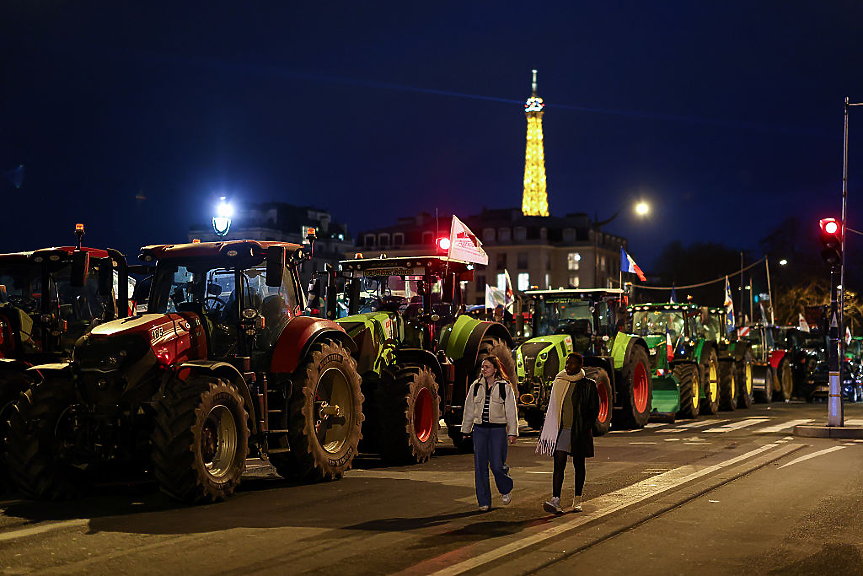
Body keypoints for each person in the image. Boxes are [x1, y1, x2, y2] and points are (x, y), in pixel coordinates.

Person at [536, 352, 599, 514]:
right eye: (566, 363)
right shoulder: (560, 381)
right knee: (559, 463)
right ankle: (555, 499)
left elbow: (593, 410)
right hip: (562, 430)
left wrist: (585, 428)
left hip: (579, 431)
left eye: (571, 364)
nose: (567, 366)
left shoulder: (588, 385)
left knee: (579, 465)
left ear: (579, 366)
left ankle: (577, 499)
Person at [461, 355, 518, 511]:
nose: (484, 369)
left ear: (495, 369)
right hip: (480, 430)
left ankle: (505, 488)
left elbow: (511, 411)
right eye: (482, 367)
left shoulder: (504, 386)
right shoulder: (476, 386)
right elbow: (469, 410)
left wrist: (512, 432)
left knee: (497, 465)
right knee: (480, 467)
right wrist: (466, 429)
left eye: (487, 367)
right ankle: (484, 501)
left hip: (497, 431)